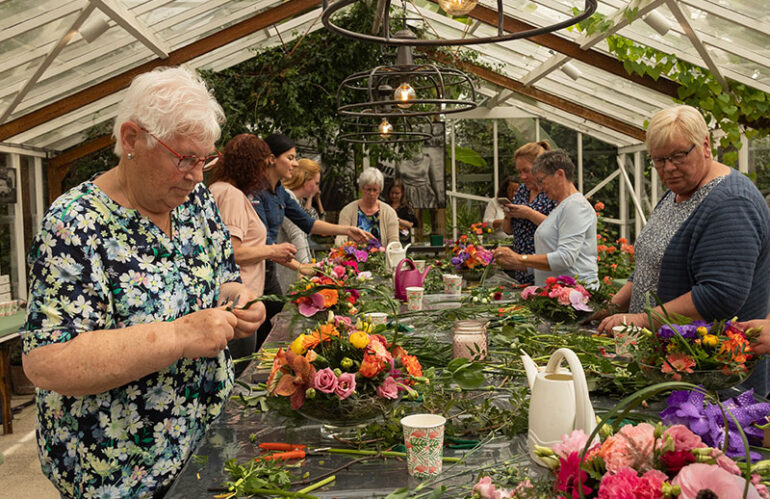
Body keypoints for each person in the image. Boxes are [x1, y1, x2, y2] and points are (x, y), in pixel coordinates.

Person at [20, 66, 266, 498]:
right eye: (184, 158)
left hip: (208, 453)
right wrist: (178, 335)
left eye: (205, 160)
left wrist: (240, 300)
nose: (196, 174)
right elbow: (48, 361)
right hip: (119, 475)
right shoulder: (76, 224)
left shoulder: (196, 204)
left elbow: (222, 281)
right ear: (132, 139)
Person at [596, 106, 770, 396]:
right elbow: (652, 263)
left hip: (711, 380)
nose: (668, 168)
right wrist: (613, 306)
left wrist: (640, 320)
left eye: (678, 156)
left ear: (704, 146)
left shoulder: (730, 203)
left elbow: (718, 295)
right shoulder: (679, 191)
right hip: (669, 368)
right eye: (659, 160)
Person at [251, 133, 372, 349]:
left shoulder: (280, 192)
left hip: (270, 272)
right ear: (271, 159)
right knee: (260, 333)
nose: (295, 163)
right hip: (254, 272)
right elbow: (264, 245)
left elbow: (309, 223)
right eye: (290, 157)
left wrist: (347, 230)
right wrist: (302, 267)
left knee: (273, 326)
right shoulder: (254, 193)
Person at [208, 134, 298, 375]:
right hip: (239, 304)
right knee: (240, 375)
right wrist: (272, 250)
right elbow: (231, 253)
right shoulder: (231, 195)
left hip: (234, 304)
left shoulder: (219, 190)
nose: (262, 172)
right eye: (261, 164)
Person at [494, 149, 598, 287]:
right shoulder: (561, 206)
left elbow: (564, 258)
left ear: (560, 174)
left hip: (574, 295)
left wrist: (520, 258)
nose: (540, 188)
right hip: (556, 294)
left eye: (542, 181)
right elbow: (552, 255)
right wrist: (517, 264)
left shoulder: (576, 206)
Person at [501, 141, 557, 284]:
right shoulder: (522, 190)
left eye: (526, 170)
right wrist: (508, 216)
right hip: (522, 268)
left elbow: (558, 228)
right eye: (519, 172)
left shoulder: (553, 192)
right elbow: (508, 231)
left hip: (546, 268)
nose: (522, 176)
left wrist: (529, 213)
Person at [276, 158, 323, 293]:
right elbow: (296, 234)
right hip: (289, 268)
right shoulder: (288, 196)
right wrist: (306, 267)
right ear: (306, 179)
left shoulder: (295, 199)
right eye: (316, 183)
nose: (317, 188)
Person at [335, 167, 399, 247]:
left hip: (383, 257)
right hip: (353, 258)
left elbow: (394, 242)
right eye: (368, 190)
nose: (372, 193)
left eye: (375, 190)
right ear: (362, 188)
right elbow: (341, 237)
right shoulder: (347, 211)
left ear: (380, 190)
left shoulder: (389, 212)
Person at [388, 178, 419, 244]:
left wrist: (397, 220)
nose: (394, 196)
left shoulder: (407, 207)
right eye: (392, 193)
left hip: (404, 240)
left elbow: (412, 224)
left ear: (402, 193)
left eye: (397, 193)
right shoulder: (385, 206)